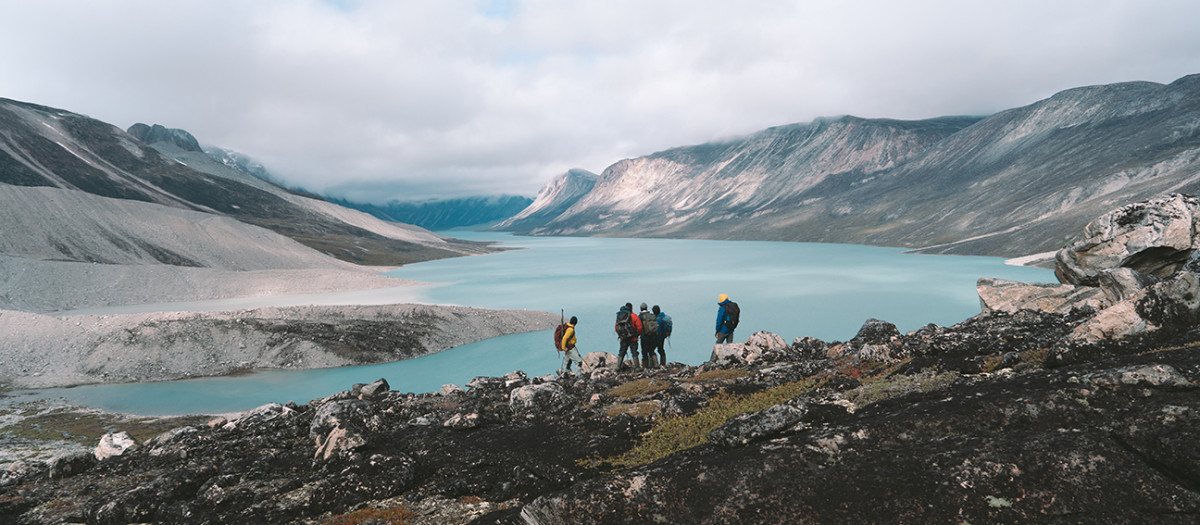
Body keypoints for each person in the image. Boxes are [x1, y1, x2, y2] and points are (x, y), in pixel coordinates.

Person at [614, 302, 643, 370]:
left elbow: (616, 327)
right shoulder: (634, 316)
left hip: (623, 338)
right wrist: (637, 334)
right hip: (633, 338)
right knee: (634, 352)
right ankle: (637, 367)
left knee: (622, 352)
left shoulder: (620, 317)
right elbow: (640, 327)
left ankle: (618, 367)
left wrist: (621, 335)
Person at [638, 303, 659, 368]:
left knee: (644, 352)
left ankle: (645, 367)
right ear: (647, 308)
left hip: (644, 336)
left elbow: (639, 327)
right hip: (653, 336)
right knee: (652, 351)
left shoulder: (640, 316)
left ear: (641, 308)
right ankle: (656, 365)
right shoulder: (652, 316)